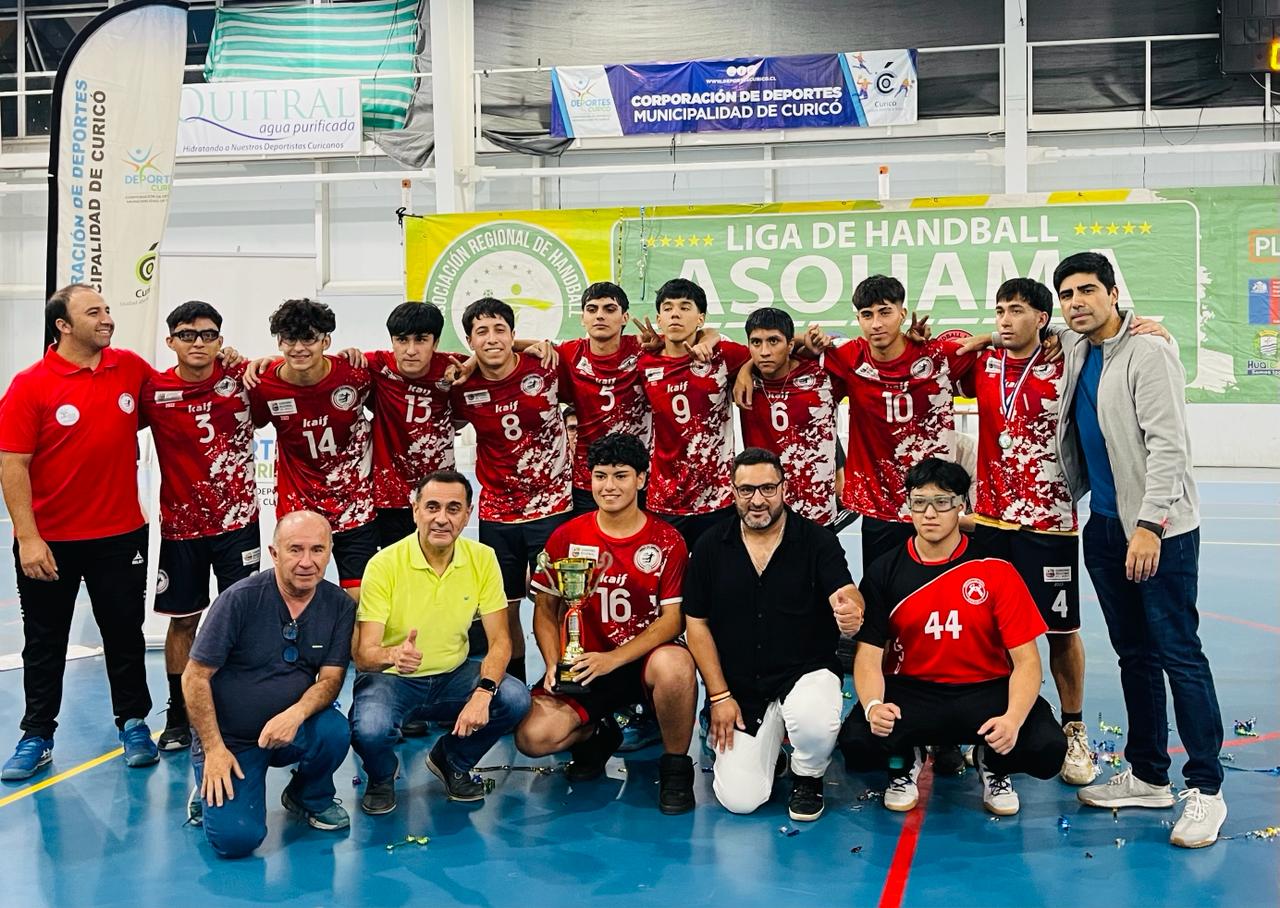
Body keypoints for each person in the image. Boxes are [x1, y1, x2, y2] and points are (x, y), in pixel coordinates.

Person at [1052, 251, 1226, 848]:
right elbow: (1030, 323)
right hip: (1102, 524)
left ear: (1113, 293)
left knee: (1178, 652)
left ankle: (1206, 789)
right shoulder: (1078, 346)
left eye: (1087, 291)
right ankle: (1150, 775)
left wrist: (1150, 524)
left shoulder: (1149, 352)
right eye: (1067, 294)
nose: (1076, 302)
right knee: (1133, 654)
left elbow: (1169, 446)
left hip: (1158, 529)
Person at [838, 458, 1067, 817]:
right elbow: (868, 655)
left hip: (984, 687)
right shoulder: (886, 569)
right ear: (908, 506)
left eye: (942, 502)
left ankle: (992, 760)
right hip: (914, 689)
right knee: (857, 742)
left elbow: (1027, 662)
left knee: (1047, 749)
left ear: (961, 505)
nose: (929, 513)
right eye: (919, 502)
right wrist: (872, 707)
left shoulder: (994, 568)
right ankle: (905, 759)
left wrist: (1013, 719)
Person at [0, 284, 159, 779]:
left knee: (124, 635)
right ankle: (36, 735)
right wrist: (28, 537)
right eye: (94, 312)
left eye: (107, 310)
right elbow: (12, 464)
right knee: (45, 641)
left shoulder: (130, 368)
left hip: (120, 537)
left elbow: (180, 396)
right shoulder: (31, 385)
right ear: (63, 325)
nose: (107, 318)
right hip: (50, 543)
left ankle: (134, 722)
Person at [514, 432, 698, 814]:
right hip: (583, 665)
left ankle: (676, 766)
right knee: (532, 738)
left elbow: (672, 620)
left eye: (620, 475)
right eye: (600, 476)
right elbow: (545, 609)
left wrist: (613, 659)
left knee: (677, 665)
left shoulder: (667, 541)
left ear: (642, 480)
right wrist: (552, 662)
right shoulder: (566, 536)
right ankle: (599, 735)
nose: (609, 486)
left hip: (643, 661)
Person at [684, 448, 864, 821]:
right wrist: (718, 696)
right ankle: (772, 753)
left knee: (814, 720)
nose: (757, 500)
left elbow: (844, 590)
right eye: (746, 490)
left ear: (784, 488)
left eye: (767, 488)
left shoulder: (817, 541)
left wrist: (850, 609)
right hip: (740, 688)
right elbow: (695, 624)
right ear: (732, 492)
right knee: (741, 800)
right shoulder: (710, 547)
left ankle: (808, 774)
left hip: (804, 672)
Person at [349, 470, 531, 811]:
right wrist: (393, 654)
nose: (441, 518)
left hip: (453, 675)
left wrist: (483, 691)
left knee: (515, 698)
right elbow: (364, 656)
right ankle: (382, 776)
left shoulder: (483, 558)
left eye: (453, 508)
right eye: (432, 507)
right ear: (415, 510)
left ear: (467, 514)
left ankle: (452, 760)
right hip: (393, 680)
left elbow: (501, 640)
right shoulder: (383, 565)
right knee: (370, 729)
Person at [183, 511, 354, 859]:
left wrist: (295, 714)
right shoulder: (239, 600)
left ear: (330, 552)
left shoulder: (338, 605)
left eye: (318, 550)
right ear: (274, 553)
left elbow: (333, 678)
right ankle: (207, 777)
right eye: (295, 550)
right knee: (237, 840)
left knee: (334, 730)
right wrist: (214, 748)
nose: (307, 562)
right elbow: (194, 677)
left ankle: (310, 796)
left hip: (291, 730)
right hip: (231, 740)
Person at [141, 301, 260, 752]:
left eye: (208, 334)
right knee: (184, 621)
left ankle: (239, 704)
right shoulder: (153, 391)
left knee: (244, 619)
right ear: (170, 341)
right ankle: (178, 712)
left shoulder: (243, 381)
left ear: (220, 341)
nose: (198, 342)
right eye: (187, 334)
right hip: (182, 530)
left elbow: (290, 379)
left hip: (238, 525)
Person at [450, 297, 573, 683]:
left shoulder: (547, 366)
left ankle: (561, 674)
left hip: (552, 507)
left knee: (557, 602)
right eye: (481, 332)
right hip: (499, 514)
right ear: (470, 341)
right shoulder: (462, 386)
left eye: (500, 329)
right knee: (504, 606)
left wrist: (529, 345)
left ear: (513, 334)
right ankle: (517, 682)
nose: (491, 338)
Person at [248, 298, 376, 602]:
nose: (299, 347)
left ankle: (353, 652)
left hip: (353, 507)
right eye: (289, 339)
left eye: (309, 338)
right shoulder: (264, 384)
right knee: (294, 594)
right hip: (298, 508)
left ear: (326, 340)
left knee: (360, 600)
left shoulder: (356, 374)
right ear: (279, 341)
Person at [637, 278, 750, 549]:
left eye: (685, 307)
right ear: (659, 319)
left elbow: (765, 354)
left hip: (717, 497)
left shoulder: (723, 355)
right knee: (665, 581)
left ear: (700, 318)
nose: (675, 313)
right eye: (668, 308)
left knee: (718, 581)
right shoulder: (643, 361)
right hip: (665, 496)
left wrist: (745, 369)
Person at [735, 308, 846, 527]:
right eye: (756, 343)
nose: (764, 351)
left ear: (790, 345)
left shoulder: (823, 375)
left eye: (774, 341)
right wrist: (744, 369)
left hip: (816, 514)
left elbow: (847, 342)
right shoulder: (739, 379)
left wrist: (805, 337)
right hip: (765, 513)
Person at [365, 302, 462, 548]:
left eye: (420, 340)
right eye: (401, 340)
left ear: (436, 342)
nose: (410, 350)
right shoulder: (375, 365)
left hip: (440, 496)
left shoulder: (455, 367)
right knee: (394, 573)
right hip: (388, 498)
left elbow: (498, 355)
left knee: (438, 568)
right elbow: (314, 363)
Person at [555, 282, 652, 515]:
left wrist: (708, 337)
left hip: (636, 475)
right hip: (588, 479)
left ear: (625, 317)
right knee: (589, 549)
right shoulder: (569, 354)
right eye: (592, 309)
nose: (600, 316)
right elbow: (510, 350)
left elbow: (700, 337)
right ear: (582, 318)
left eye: (609, 309)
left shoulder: (644, 348)